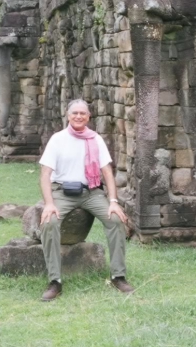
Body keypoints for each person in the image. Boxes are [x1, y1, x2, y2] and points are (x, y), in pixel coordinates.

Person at [37, 99, 133, 301]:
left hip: (91, 192)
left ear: (88, 117)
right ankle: (55, 281)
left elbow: (107, 171)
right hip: (62, 192)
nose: (78, 116)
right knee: (49, 222)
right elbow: (45, 174)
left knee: (116, 221)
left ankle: (118, 276)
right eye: (75, 113)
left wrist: (113, 201)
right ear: (68, 115)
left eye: (83, 113)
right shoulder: (58, 139)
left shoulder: (95, 139)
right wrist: (49, 203)